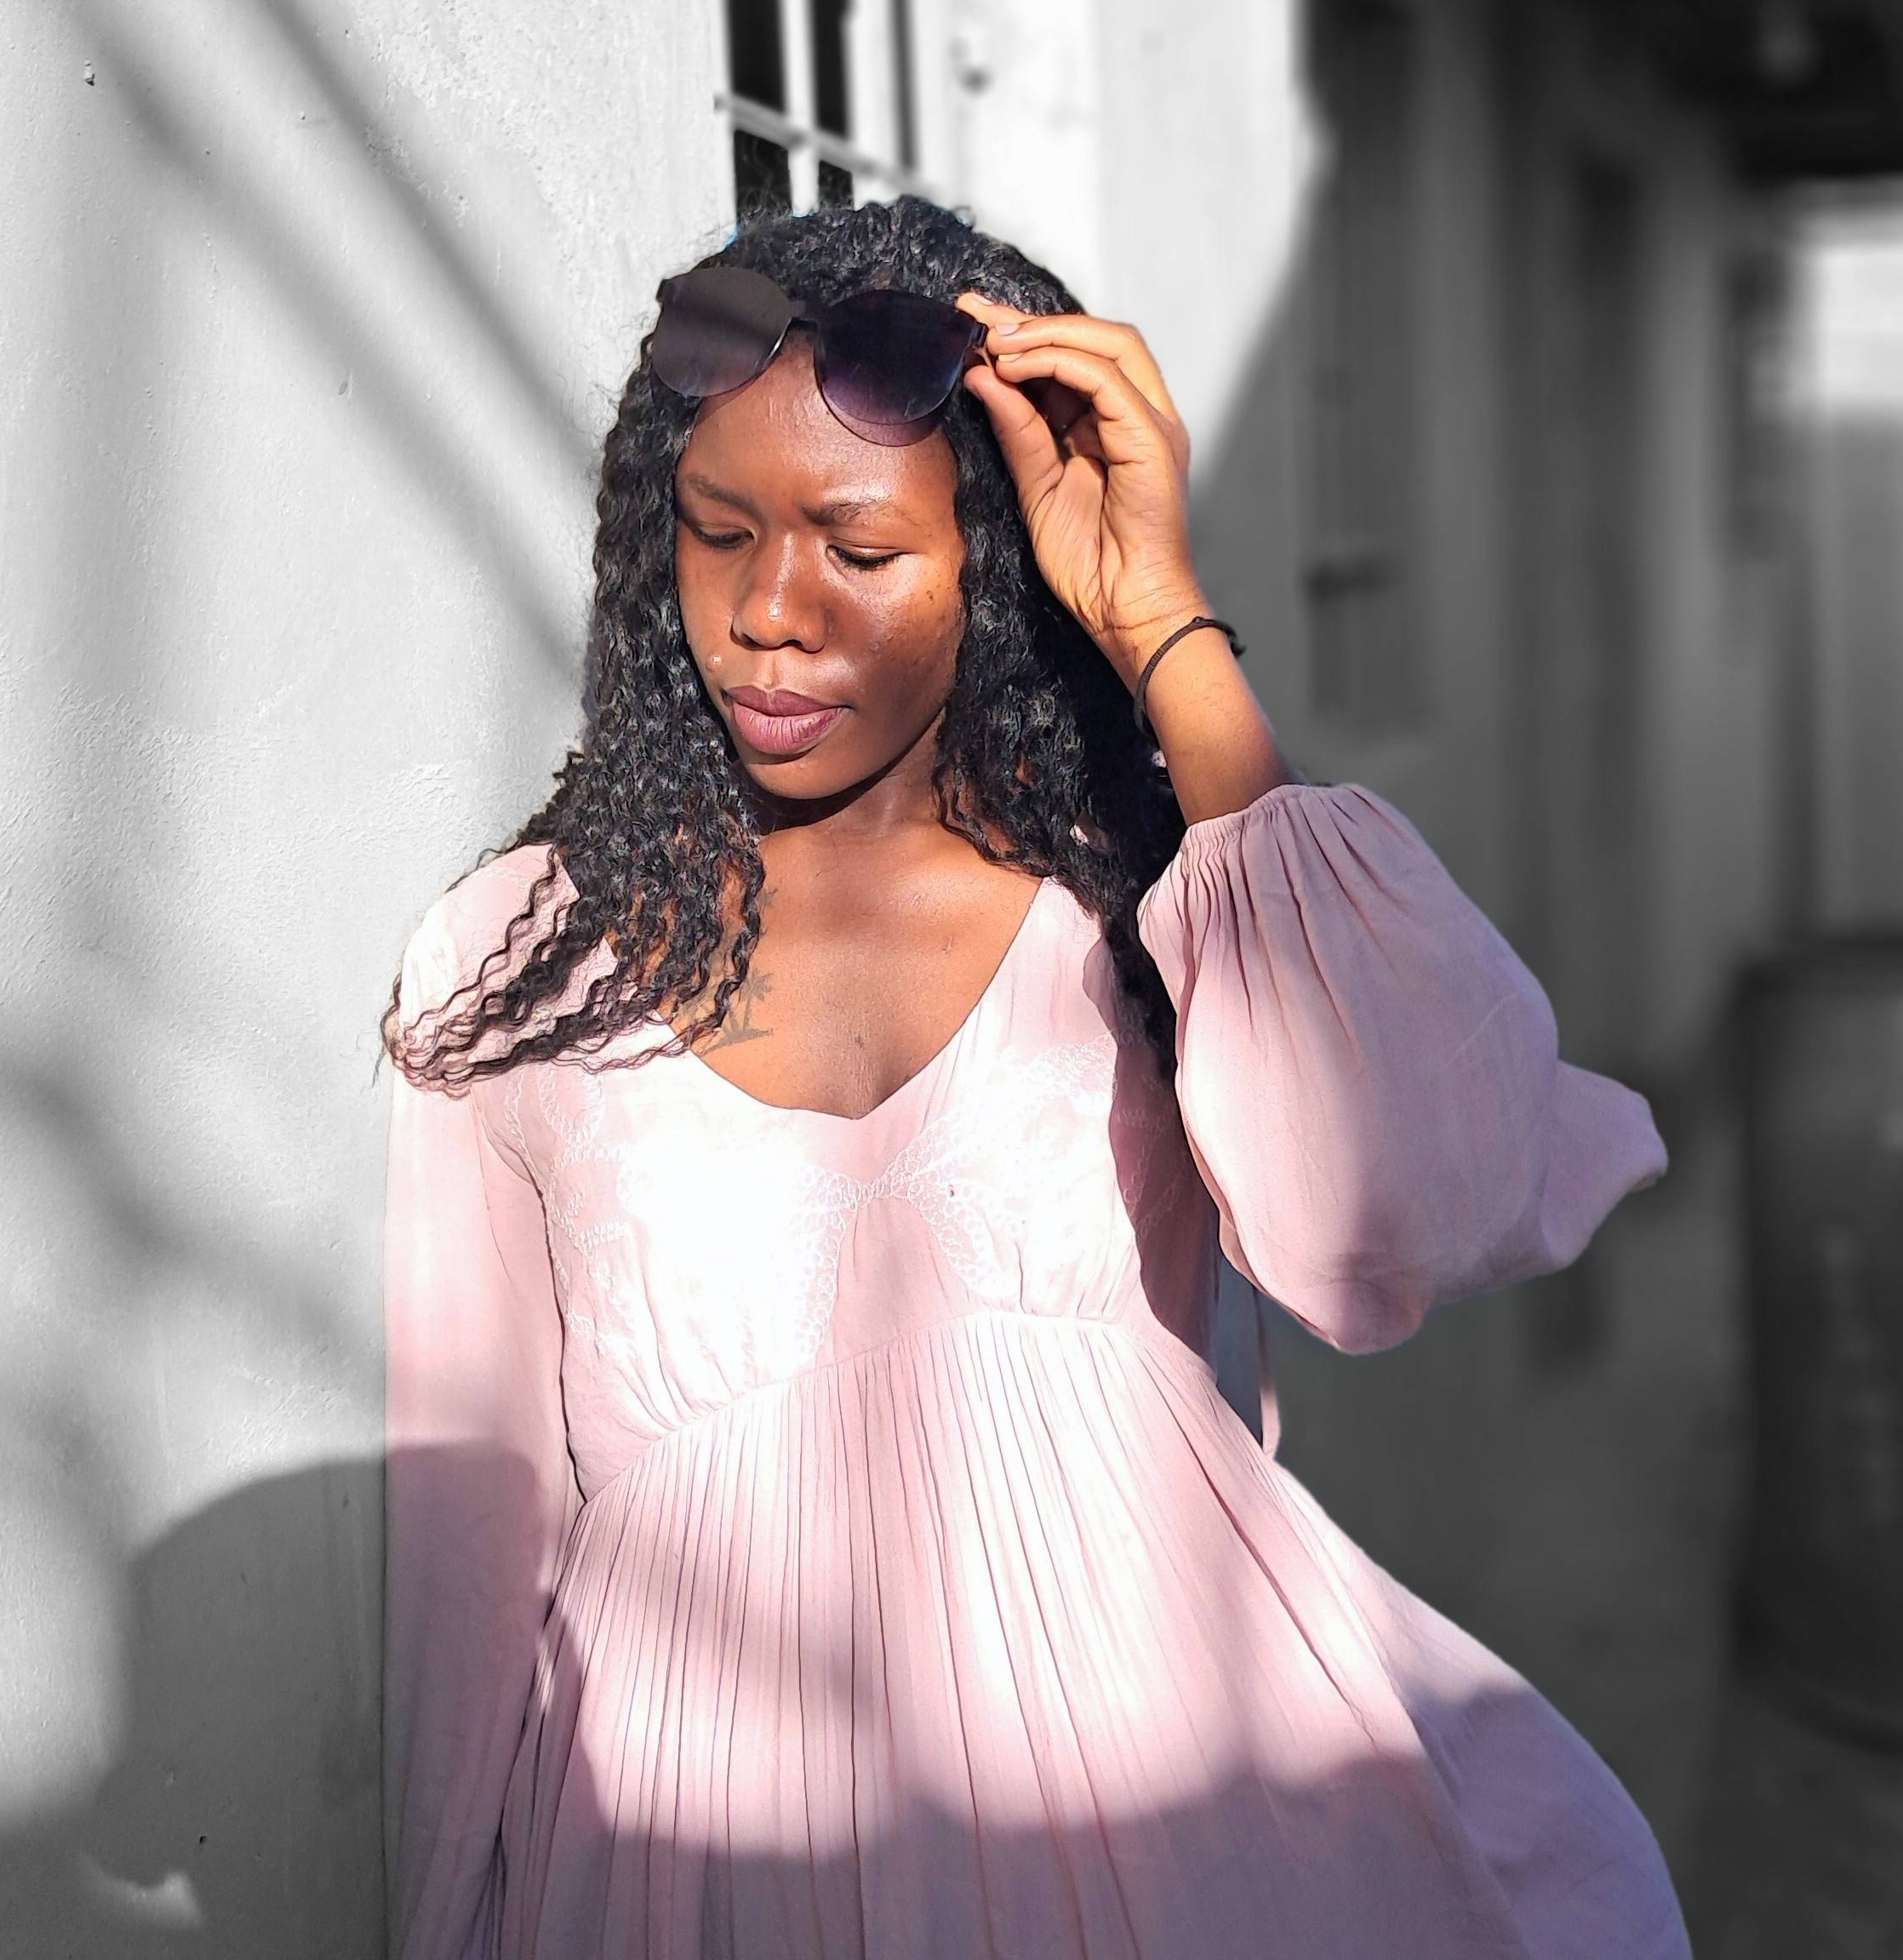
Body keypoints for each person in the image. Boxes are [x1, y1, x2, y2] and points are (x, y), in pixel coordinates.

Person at [378, 194, 1690, 1959]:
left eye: (859, 551)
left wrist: (1160, 622)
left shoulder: (1135, 895)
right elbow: (469, 1556)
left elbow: (1412, 1198)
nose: (768, 614)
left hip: (1192, 1842)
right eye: (716, 532)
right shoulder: (514, 964)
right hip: (709, 1874)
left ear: (990, 573)